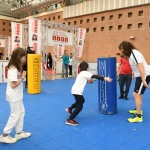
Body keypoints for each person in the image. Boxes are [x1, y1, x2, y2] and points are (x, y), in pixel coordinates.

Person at [65, 61, 112, 126]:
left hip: (75, 90)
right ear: (86, 68)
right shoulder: (85, 72)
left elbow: (84, 80)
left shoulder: (81, 73)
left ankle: (70, 109)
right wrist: (105, 78)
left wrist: (88, 80)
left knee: (82, 100)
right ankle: (70, 119)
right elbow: (95, 76)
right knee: (79, 107)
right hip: (77, 91)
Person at [0, 47, 31, 144]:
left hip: (18, 95)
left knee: (21, 112)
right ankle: (4, 135)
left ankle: (19, 132)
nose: (25, 59)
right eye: (24, 57)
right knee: (15, 115)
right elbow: (13, 85)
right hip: (13, 96)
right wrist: (22, 78)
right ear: (19, 57)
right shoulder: (13, 68)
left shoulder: (17, 67)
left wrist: (21, 73)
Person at [118, 41, 150, 123]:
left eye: (121, 49)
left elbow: (140, 66)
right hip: (139, 76)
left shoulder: (135, 53)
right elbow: (129, 61)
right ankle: (138, 110)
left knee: (136, 94)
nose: (121, 51)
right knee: (137, 94)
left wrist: (143, 79)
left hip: (144, 75)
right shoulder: (130, 55)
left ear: (126, 48)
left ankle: (139, 116)